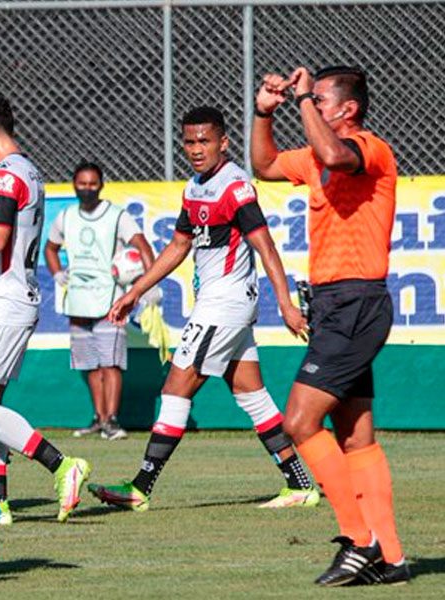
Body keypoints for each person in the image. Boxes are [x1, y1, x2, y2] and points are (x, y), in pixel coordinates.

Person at [88, 106, 319, 513]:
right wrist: (135, 291)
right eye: (190, 141)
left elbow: (265, 246)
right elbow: (178, 246)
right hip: (223, 304)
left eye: (205, 141)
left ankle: (140, 486)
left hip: (224, 303)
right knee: (252, 395)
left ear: (223, 143)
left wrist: (285, 303)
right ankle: (300, 484)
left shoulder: (235, 187)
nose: (196, 149)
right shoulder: (194, 188)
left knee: (176, 388)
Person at [251, 66, 406, 586]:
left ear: (348, 110)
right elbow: (265, 164)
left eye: (319, 99)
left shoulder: (369, 147)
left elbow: (339, 156)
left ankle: (360, 541)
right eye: (310, 98)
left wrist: (300, 103)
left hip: (357, 302)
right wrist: (263, 112)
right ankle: (393, 557)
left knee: (298, 421)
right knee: (355, 436)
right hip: (334, 306)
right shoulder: (315, 153)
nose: (311, 104)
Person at [0, 95, 91, 523]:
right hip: (12, 300)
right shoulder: (28, 172)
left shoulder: (5, 177)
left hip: (2, 302)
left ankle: (63, 466)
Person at [44, 160, 155, 440]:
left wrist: (147, 285)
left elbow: (143, 247)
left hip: (111, 301)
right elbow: (50, 248)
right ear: (74, 185)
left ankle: (113, 420)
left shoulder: (118, 216)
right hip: (78, 302)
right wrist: (57, 273)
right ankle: (98, 417)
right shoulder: (66, 216)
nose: (87, 189)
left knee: (111, 362)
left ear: (101, 185)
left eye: (93, 184)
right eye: (82, 184)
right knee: (89, 363)